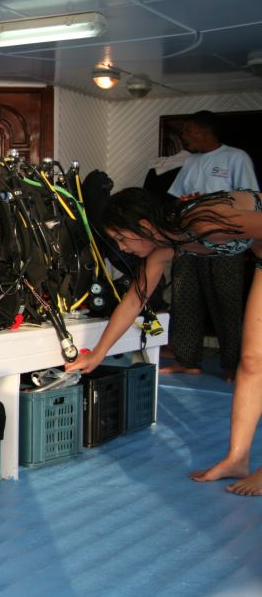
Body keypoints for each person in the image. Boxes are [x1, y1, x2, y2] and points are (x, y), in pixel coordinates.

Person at [65, 186, 262, 496]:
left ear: (144, 226)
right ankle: (237, 459)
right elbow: (135, 299)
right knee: (251, 361)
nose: (122, 248)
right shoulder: (164, 246)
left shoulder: (204, 223)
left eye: (121, 238)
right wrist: (98, 353)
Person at [164, 111, 257, 379]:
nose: (184, 136)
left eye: (188, 131)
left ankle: (233, 366)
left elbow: (250, 199)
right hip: (190, 243)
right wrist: (185, 202)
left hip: (225, 245)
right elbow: (177, 198)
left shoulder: (236, 157)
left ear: (204, 130)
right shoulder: (191, 161)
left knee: (226, 305)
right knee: (185, 301)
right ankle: (187, 361)